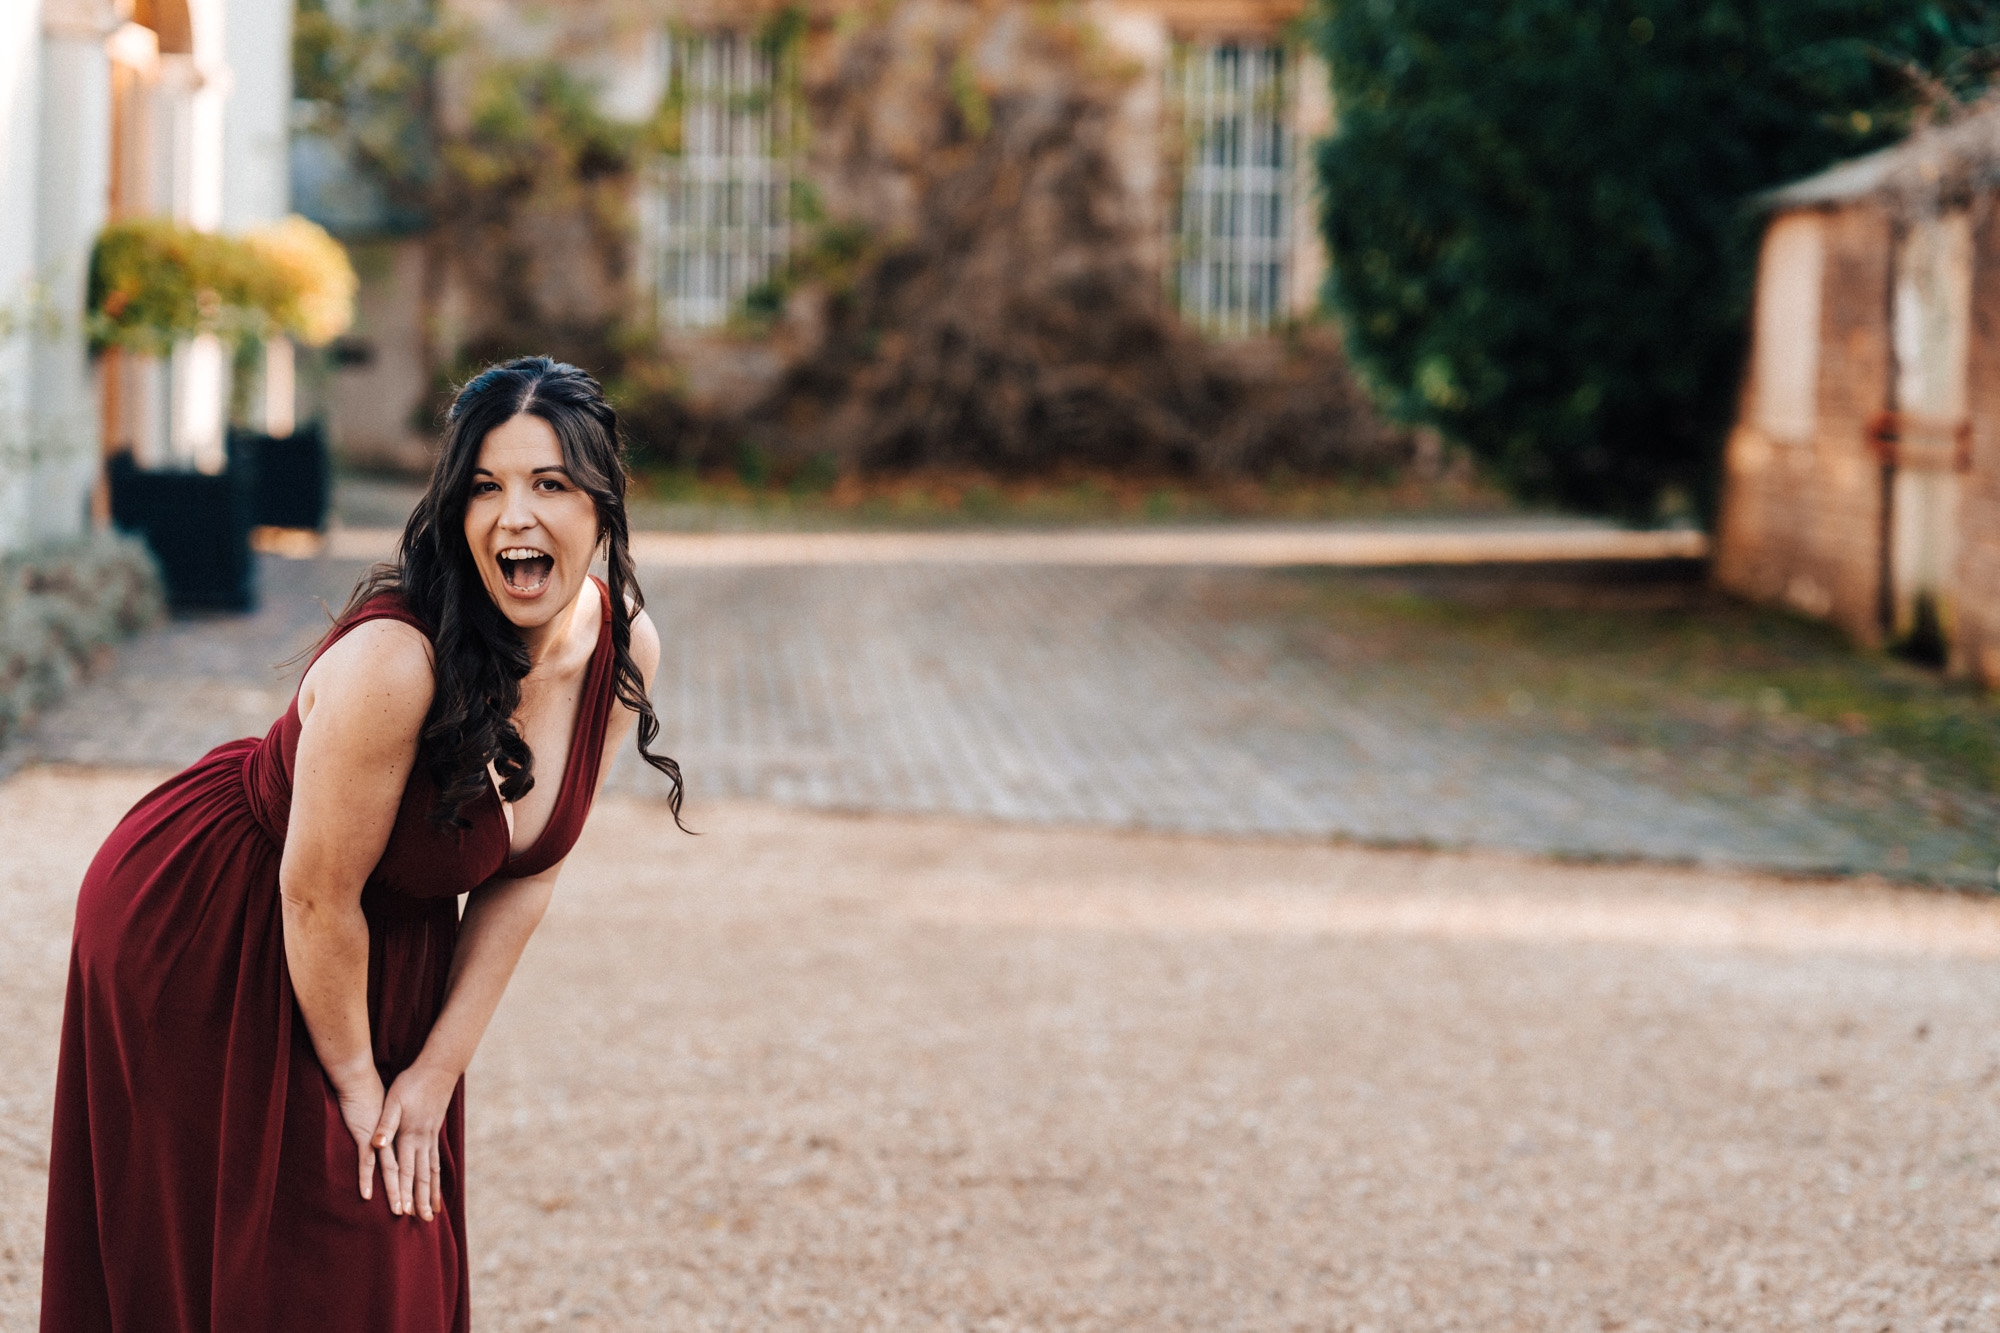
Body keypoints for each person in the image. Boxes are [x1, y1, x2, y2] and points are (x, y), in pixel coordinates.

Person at [40, 357, 685, 1332]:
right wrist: (359, 1081)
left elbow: (531, 871)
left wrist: (431, 1076)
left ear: (604, 499)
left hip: (372, 946)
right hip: (216, 925)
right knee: (275, 1262)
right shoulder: (395, 661)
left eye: (548, 483)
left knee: (377, 1264)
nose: (514, 517)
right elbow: (316, 896)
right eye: (483, 485)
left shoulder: (621, 645)